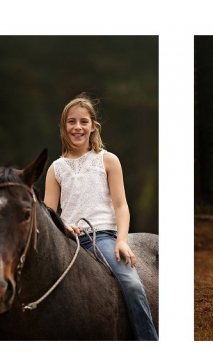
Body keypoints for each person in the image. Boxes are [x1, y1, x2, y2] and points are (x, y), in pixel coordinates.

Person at [44, 93, 159, 340]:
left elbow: (121, 206)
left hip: (103, 237)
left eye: (83, 121)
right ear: (64, 127)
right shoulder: (56, 168)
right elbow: (49, 213)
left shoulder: (108, 160)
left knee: (133, 284)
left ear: (93, 127)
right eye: (72, 121)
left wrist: (122, 241)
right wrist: (65, 225)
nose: (77, 127)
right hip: (68, 238)